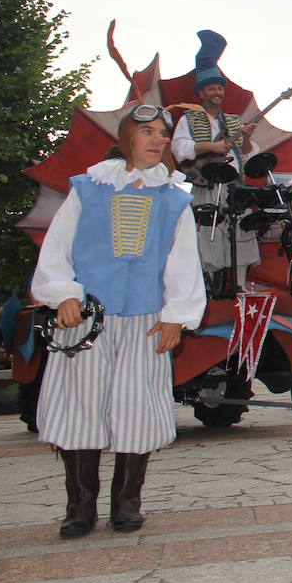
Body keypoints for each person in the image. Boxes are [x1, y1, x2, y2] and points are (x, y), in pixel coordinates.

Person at [31, 103, 207, 538]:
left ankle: (127, 503)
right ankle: (79, 507)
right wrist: (63, 295)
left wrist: (176, 317)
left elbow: (183, 261)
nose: (157, 140)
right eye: (147, 131)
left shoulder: (174, 198)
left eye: (162, 133)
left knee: (138, 407)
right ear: (128, 137)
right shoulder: (88, 188)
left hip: (145, 319)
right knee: (79, 407)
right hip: (87, 320)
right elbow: (57, 249)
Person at [170, 30, 260, 290]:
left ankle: (241, 285)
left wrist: (244, 140)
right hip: (206, 186)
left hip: (234, 186)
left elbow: (248, 155)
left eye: (220, 87)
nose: (218, 92)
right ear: (202, 93)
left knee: (242, 231)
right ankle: (208, 287)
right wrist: (212, 146)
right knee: (208, 235)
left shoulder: (234, 120)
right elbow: (180, 149)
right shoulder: (189, 119)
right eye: (212, 88)